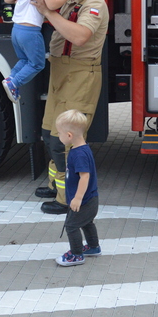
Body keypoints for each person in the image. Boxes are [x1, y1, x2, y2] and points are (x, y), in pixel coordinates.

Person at [31, 0, 109, 214]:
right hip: (59, 73)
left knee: (66, 139)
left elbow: (80, 36)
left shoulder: (95, 4)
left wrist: (46, 12)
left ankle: (68, 199)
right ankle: (56, 186)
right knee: (49, 134)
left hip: (79, 76)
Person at [1, 0, 74, 102]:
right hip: (30, 31)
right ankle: (14, 82)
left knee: (24, 60)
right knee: (37, 63)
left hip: (16, 30)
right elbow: (52, 4)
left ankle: (10, 79)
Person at [54, 109, 101, 267]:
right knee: (87, 222)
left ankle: (76, 254)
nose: (58, 136)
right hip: (90, 199)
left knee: (72, 225)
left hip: (85, 201)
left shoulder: (78, 154)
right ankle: (94, 247)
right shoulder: (81, 148)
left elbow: (84, 176)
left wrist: (78, 198)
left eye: (59, 133)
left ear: (69, 135)